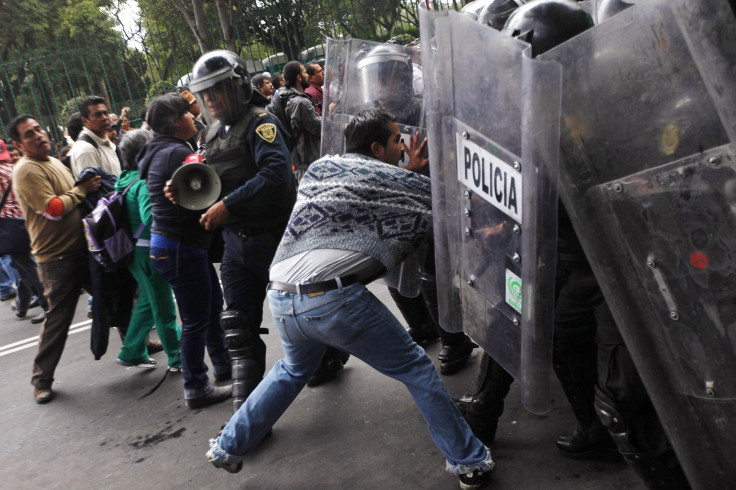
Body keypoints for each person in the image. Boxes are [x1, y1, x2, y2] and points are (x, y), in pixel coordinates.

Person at [205, 110, 495, 488]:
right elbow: (444, 211)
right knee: (416, 369)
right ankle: (469, 461)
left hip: (280, 297)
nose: (402, 147)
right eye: (396, 141)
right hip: (332, 299)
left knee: (292, 370)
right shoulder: (392, 179)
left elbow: (368, 199)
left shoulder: (321, 169)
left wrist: (407, 174)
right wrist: (420, 178)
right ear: (376, 147)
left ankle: (228, 447)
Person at [186, 50, 296, 411]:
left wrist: (228, 205)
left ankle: (327, 356)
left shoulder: (261, 123)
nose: (210, 100)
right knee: (237, 327)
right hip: (237, 245)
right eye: (204, 94)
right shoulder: (213, 133)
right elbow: (215, 184)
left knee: (302, 315)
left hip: (276, 239)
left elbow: (275, 175)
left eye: (217, 90)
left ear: (237, 87)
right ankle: (245, 417)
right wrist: (183, 191)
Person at [139, 93, 232, 409]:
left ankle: (223, 365)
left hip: (174, 247)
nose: (195, 116)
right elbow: (205, 190)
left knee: (209, 309)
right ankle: (196, 387)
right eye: (189, 113)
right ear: (176, 121)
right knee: (196, 319)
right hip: (181, 248)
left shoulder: (159, 150)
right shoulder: (177, 153)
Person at [9, 114, 102, 403]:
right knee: (58, 319)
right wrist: (81, 189)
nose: (38, 135)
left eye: (38, 129)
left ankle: (136, 346)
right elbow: (53, 209)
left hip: (80, 248)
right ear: (18, 144)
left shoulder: (51, 162)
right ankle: (41, 380)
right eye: (29, 134)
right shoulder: (26, 170)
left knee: (112, 294)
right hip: (56, 258)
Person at [114, 129, 182, 371]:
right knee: (164, 307)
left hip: (134, 252)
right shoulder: (143, 182)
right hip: (147, 252)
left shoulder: (125, 177)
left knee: (146, 301)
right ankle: (177, 358)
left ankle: (131, 350)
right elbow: (151, 218)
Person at [0, 140, 49, 324]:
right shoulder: (13, 169)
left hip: (7, 227)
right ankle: (21, 305)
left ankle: (47, 305)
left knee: (26, 266)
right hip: (23, 221)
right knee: (23, 264)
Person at [272, 61, 322, 181]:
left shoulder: (287, 97)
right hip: (309, 163)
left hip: (300, 160)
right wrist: (330, 115)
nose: (308, 76)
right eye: (305, 72)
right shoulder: (301, 102)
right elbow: (319, 128)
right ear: (299, 77)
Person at [70, 95, 121, 178]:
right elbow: (95, 189)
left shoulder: (105, 140)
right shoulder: (86, 150)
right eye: (98, 115)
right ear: (85, 121)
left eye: (105, 113)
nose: (104, 118)